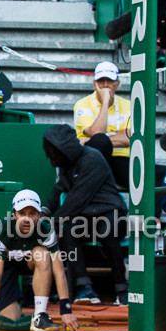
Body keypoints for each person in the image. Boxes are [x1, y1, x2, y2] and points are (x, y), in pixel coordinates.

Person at [0, 188, 80, 331]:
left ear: (39, 215)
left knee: (42, 253)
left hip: (30, 262)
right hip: (6, 267)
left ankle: (40, 315)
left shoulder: (46, 230)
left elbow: (59, 270)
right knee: (10, 321)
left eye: (32, 214)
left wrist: (66, 310)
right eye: (22, 214)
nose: (27, 219)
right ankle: (30, 320)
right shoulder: (3, 230)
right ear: (14, 215)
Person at [42, 124, 125, 306]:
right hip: (86, 217)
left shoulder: (92, 158)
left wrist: (51, 223)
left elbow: (77, 199)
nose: (51, 156)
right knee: (69, 232)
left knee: (108, 232)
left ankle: (122, 289)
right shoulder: (66, 164)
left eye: (54, 151)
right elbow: (59, 190)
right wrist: (44, 211)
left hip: (110, 211)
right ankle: (84, 288)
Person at [72, 61, 132, 190]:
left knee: (159, 176)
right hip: (92, 160)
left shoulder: (128, 105)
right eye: (101, 81)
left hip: (122, 160)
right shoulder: (82, 104)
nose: (105, 86)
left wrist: (92, 140)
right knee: (99, 144)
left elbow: (128, 138)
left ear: (117, 84)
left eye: (109, 81)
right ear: (94, 84)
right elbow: (97, 133)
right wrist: (105, 101)